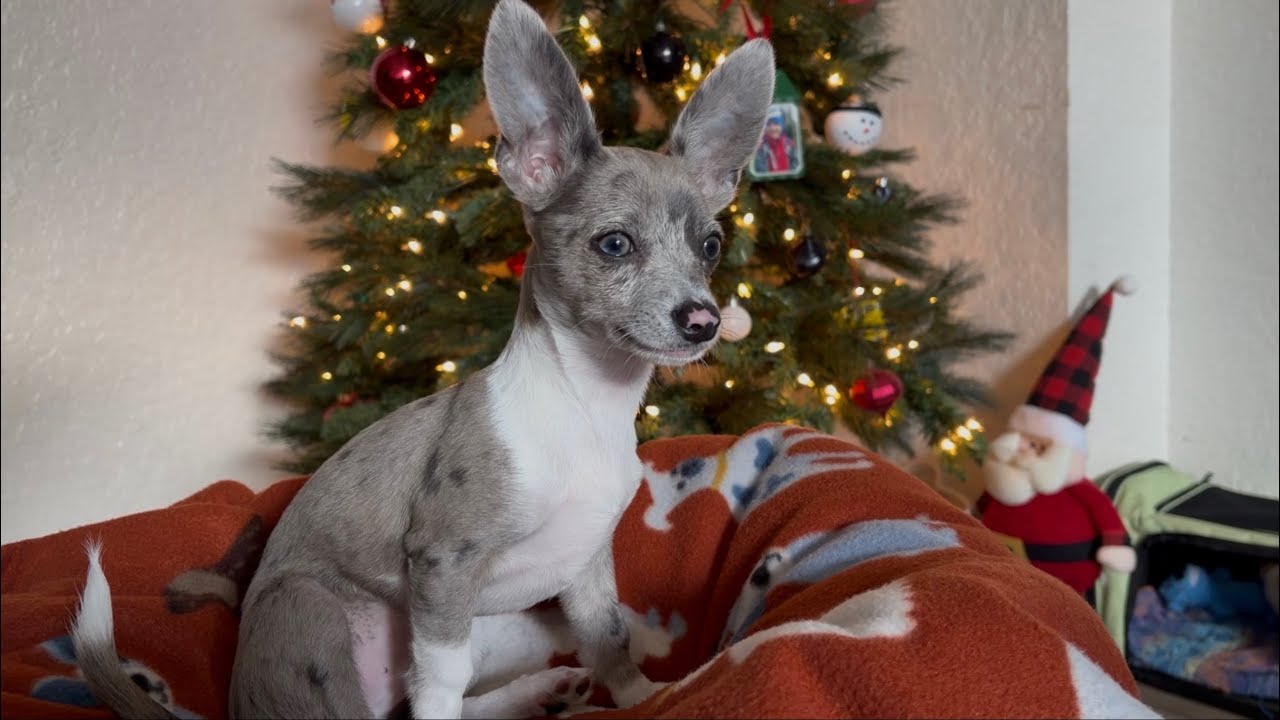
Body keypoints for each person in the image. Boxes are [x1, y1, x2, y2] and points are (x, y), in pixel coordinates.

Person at [978, 278, 1139, 595]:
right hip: (1000, 578)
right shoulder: (1001, 478)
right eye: (1025, 440)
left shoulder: (1077, 488)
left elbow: (1104, 514)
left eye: (1040, 445)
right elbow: (981, 506)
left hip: (1066, 588)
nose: (1026, 451)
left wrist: (1115, 544)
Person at [754, 108, 798, 174]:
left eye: (776, 123)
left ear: (781, 125)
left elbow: (795, 166)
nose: (772, 128)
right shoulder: (760, 147)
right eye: (768, 124)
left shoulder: (790, 144)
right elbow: (761, 170)